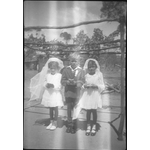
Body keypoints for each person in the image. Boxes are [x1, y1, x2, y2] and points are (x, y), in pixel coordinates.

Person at [29, 57, 64, 130]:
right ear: (49, 69)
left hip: (55, 94)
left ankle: (55, 123)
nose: (53, 70)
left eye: (54, 68)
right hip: (48, 93)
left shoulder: (59, 75)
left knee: (55, 108)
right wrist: (46, 85)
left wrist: (54, 86)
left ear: (57, 68)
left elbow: (60, 85)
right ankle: (51, 122)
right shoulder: (47, 75)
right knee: (50, 109)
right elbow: (44, 82)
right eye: (51, 68)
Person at [73, 58, 105, 136]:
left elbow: (103, 86)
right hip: (87, 94)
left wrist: (96, 86)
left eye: (93, 67)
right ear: (88, 68)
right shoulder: (86, 75)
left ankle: (93, 126)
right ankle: (88, 126)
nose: (91, 69)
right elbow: (83, 85)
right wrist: (85, 86)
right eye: (90, 67)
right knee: (88, 111)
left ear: (95, 67)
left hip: (95, 95)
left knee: (94, 111)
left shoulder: (99, 75)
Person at [61, 52, 85, 134]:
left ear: (78, 62)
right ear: (69, 61)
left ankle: (74, 124)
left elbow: (82, 80)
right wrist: (67, 82)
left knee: (76, 109)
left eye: (75, 61)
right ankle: (69, 124)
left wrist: (77, 83)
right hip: (68, 92)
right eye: (72, 61)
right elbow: (62, 81)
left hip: (76, 92)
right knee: (69, 109)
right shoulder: (65, 70)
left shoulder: (81, 71)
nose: (73, 62)